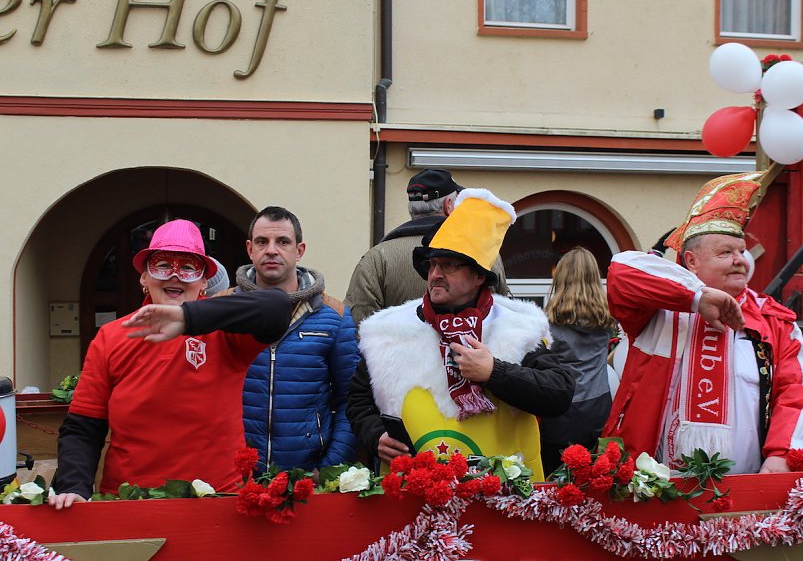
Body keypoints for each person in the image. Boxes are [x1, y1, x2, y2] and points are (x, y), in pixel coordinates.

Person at [50, 219, 293, 509]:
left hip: (219, 500)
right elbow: (83, 426)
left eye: (189, 268)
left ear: (204, 281)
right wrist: (74, 486)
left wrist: (188, 317)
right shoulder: (111, 336)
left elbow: (277, 307)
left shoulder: (225, 332)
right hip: (129, 502)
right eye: (162, 265)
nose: (175, 276)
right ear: (143, 278)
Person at [347, 188, 576, 481]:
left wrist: (494, 372)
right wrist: (375, 434)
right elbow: (357, 399)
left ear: (479, 275)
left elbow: (559, 393)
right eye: (432, 264)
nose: (435, 274)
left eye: (450, 265)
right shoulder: (389, 329)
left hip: (501, 500)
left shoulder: (516, 328)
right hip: (412, 498)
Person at [602, 170, 803, 474]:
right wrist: (696, 297)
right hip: (654, 490)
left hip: (746, 488)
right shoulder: (659, 311)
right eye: (725, 252)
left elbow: (795, 395)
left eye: (741, 251)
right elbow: (621, 271)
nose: (740, 260)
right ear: (691, 261)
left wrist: (782, 455)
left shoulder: (775, 321)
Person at [227, 206, 359, 475]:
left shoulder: (335, 316)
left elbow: (351, 400)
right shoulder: (224, 309)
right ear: (250, 249)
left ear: (299, 250)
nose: (272, 250)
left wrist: (330, 467)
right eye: (262, 242)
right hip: (232, 476)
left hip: (307, 476)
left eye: (283, 242)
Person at [344, 169, 508, 328]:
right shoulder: (481, 253)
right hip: (474, 353)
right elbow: (500, 313)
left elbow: (359, 325)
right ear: (448, 205)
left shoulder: (377, 258)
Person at [539, 247, 614, 474]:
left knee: (553, 482)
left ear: (560, 278)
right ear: (594, 277)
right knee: (593, 478)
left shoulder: (547, 323)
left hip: (560, 408)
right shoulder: (607, 318)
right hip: (599, 404)